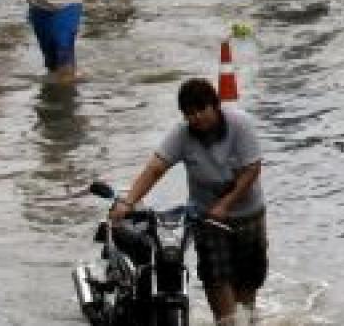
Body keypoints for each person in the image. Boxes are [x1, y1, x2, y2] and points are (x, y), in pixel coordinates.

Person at [110, 79, 267, 325]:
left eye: (201, 110)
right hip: (206, 218)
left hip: (248, 214)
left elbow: (252, 170)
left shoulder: (240, 124)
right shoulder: (182, 134)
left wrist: (225, 204)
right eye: (189, 113)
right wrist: (128, 202)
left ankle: (245, 318)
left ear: (215, 106)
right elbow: (155, 168)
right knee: (216, 281)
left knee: (248, 283)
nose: (196, 118)